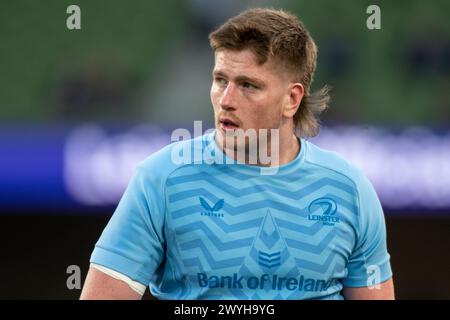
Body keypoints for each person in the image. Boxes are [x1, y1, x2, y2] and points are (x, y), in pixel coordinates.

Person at [80, 8, 394, 300]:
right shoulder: (161, 179)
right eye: (220, 80)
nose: (226, 99)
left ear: (292, 99)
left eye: (247, 85)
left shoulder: (349, 190)